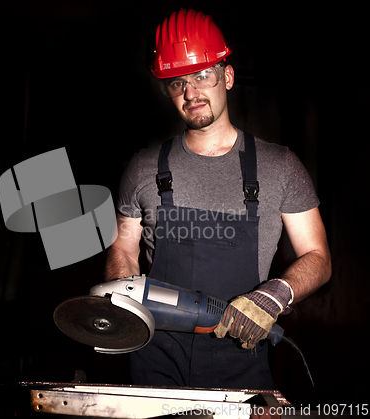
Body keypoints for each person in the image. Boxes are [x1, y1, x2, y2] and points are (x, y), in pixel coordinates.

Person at [104, 9, 331, 389]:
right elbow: (123, 248)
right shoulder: (143, 167)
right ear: (166, 90)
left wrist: (276, 295)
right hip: (152, 361)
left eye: (201, 76)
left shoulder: (280, 166)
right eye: (177, 82)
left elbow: (319, 258)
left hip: (241, 362)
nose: (190, 92)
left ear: (226, 77)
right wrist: (123, 300)